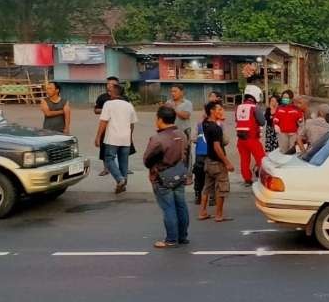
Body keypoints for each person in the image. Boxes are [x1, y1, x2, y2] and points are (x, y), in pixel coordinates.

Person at [143, 106, 190, 248]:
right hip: (179, 174)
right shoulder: (181, 134)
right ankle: (182, 237)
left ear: (160, 119)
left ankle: (171, 239)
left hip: (162, 177)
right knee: (181, 206)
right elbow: (187, 154)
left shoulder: (157, 139)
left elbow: (147, 160)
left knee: (169, 208)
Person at [94, 84, 137, 194]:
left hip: (112, 138)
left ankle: (120, 179)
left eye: (110, 91)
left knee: (109, 159)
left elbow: (103, 121)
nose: (109, 93)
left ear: (114, 93)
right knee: (124, 161)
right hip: (125, 138)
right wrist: (130, 137)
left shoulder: (108, 104)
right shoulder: (129, 105)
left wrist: (98, 137)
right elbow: (132, 124)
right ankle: (123, 184)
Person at [200, 101, 235, 222]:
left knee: (207, 187)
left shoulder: (205, 124)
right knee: (221, 188)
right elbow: (217, 146)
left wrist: (219, 120)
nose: (222, 112)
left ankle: (203, 212)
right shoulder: (216, 128)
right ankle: (219, 214)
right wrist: (227, 162)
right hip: (218, 162)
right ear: (212, 111)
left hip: (208, 161)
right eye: (219, 110)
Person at [235, 86, 267, 186]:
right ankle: (263, 178)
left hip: (240, 140)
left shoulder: (239, 107)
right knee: (261, 159)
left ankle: (247, 179)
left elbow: (237, 120)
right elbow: (262, 122)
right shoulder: (255, 108)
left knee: (244, 160)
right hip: (252, 139)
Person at [94, 76, 120, 176]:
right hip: (105, 126)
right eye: (108, 84)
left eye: (112, 84)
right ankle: (106, 169)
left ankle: (123, 167)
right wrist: (106, 110)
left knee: (122, 148)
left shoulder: (123, 97)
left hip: (119, 126)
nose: (109, 86)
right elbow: (95, 110)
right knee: (104, 147)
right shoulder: (102, 97)